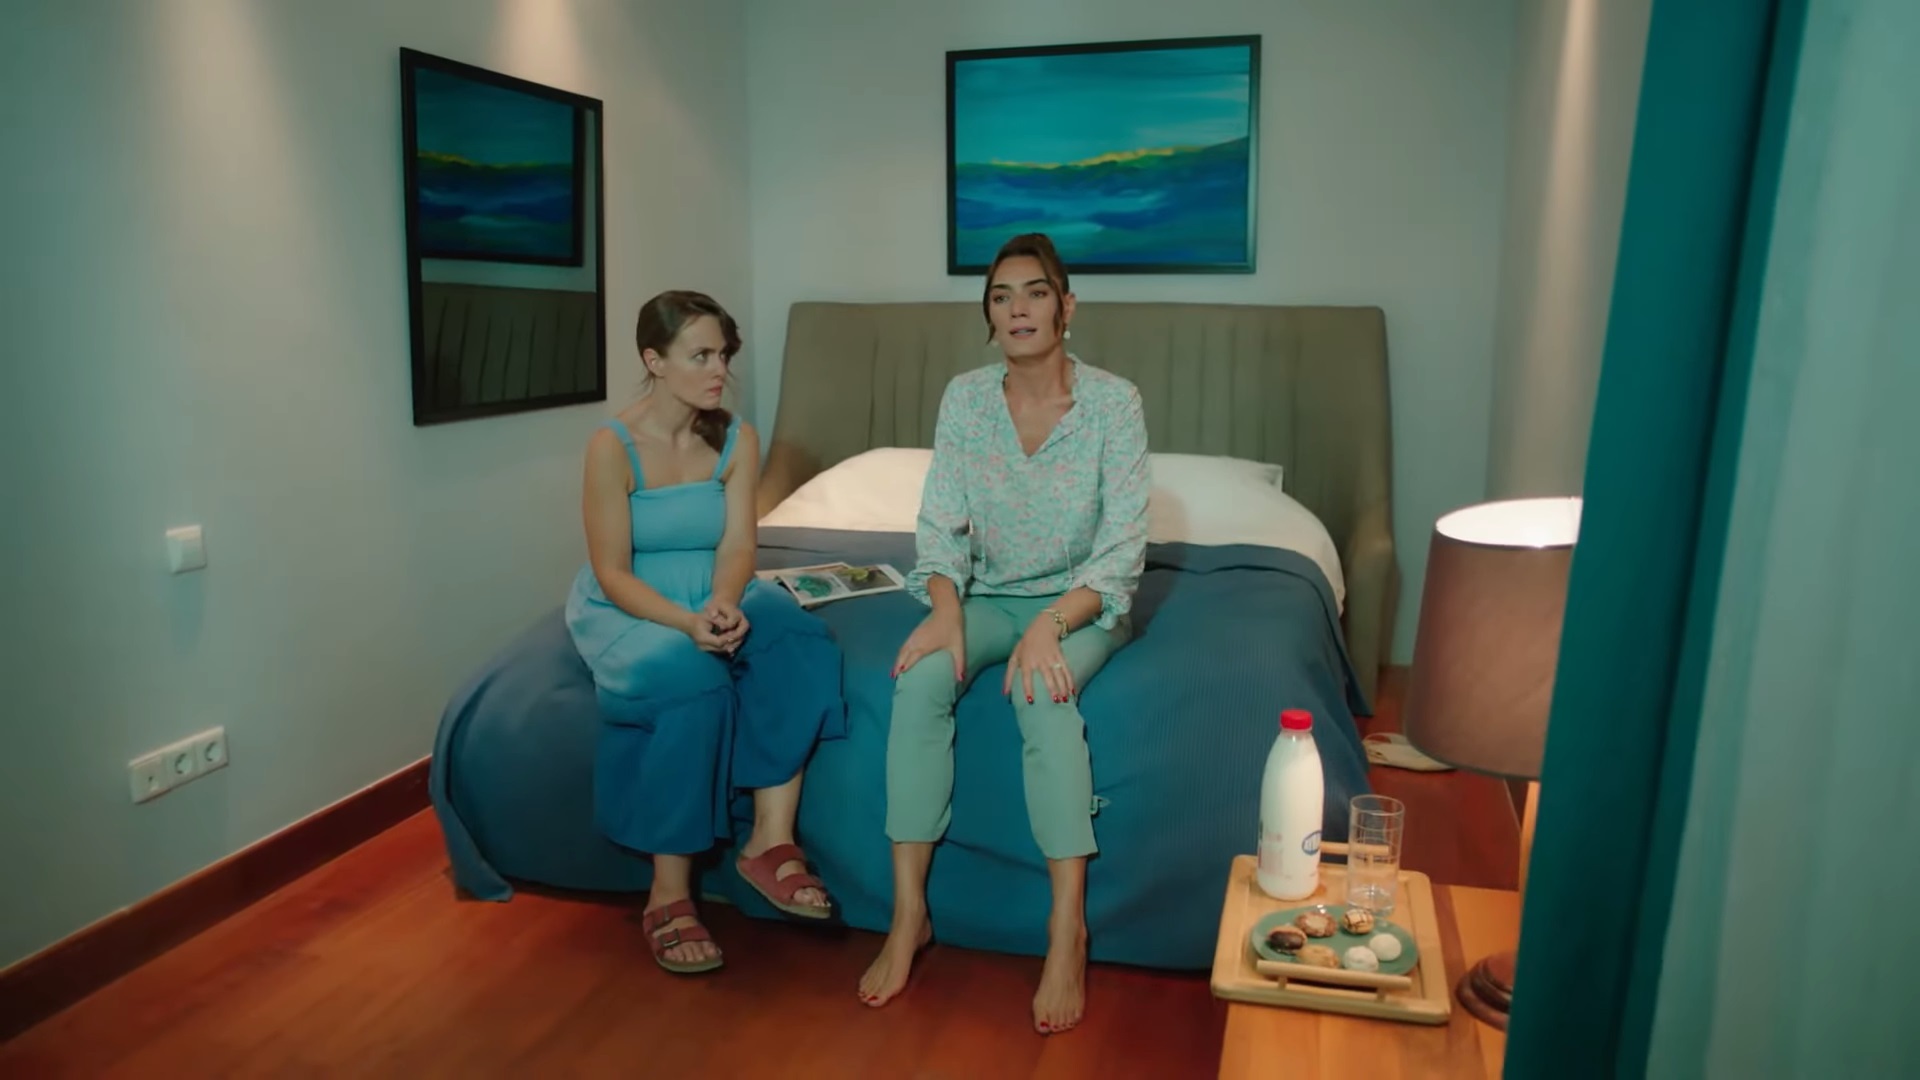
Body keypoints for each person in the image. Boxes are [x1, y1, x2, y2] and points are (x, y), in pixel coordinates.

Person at [857, 234, 1151, 1033]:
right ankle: (908, 916)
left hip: (1082, 603)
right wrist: (944, 610)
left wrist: (1051, 626)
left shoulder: (1114, 403)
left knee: (1040, 691)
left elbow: (1123, 550)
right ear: (989, 317)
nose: (1018, 308)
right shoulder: (965, 400)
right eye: (1000, 296)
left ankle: (1066, 930)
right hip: (986, 596)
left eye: (1035, 292)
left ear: (1066, 306)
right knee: (920, 677)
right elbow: (940, 526)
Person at [565, 290, 845, 975]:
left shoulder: (736, 438)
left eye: (723, 354)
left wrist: (723, 600)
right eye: (701, 356)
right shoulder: (611, 447)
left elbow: (739, 544)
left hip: (716, 586)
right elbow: (611, 571)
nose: (719, 370)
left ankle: (769, 843)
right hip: (636, 602)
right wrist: (686, 623)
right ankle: (668, 892)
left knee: (800, 645)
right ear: (654, 360)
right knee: (695, 682)